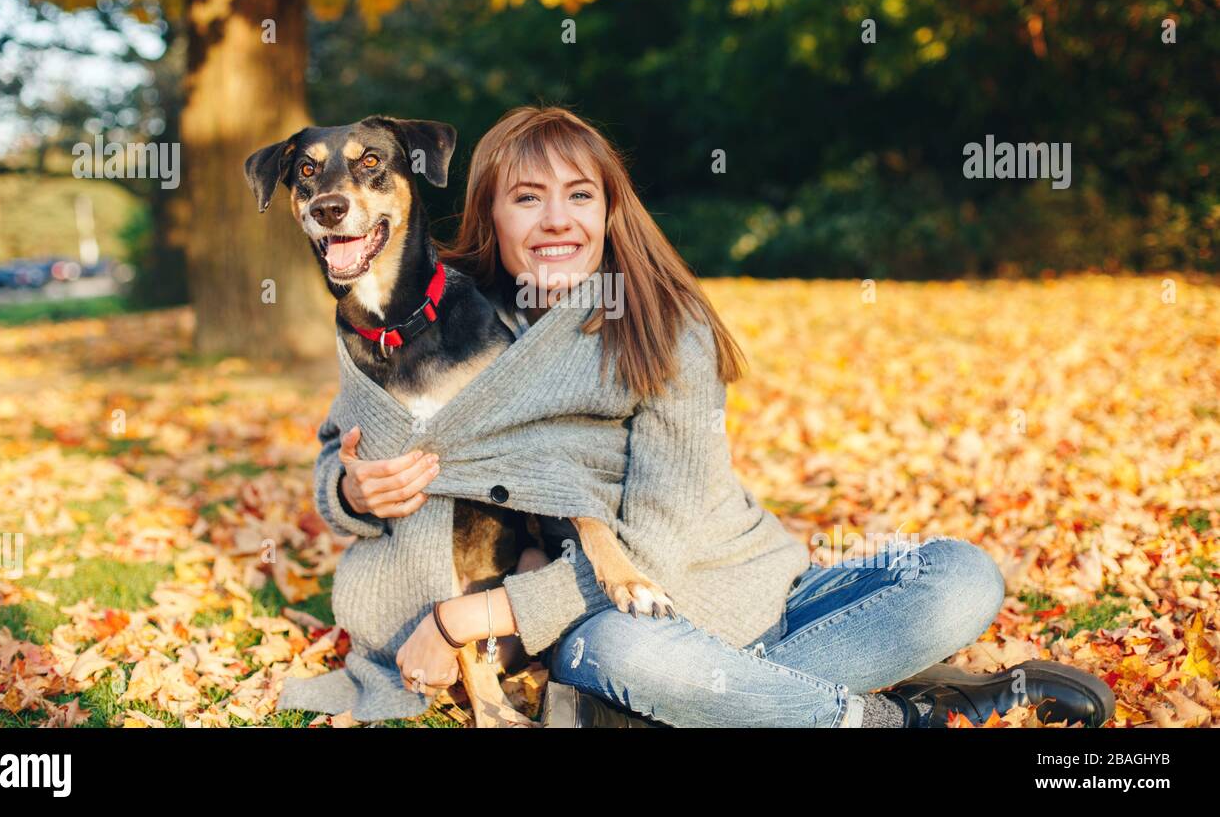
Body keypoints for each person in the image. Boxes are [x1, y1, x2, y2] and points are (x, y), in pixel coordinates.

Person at [335, 105, 1115, 728]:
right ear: (490, 216)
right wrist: (352, 492)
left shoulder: (664, 325)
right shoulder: (446, 328)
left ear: (610, 210)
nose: (557, 221)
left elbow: (659, 548)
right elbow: (343, 455)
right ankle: (903, 717)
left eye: (581, 195)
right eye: (527, 199)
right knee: (622, 654)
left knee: (959, 575)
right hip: (626, 628)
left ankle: (709, 704)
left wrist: (464, 617)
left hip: (761, 595)